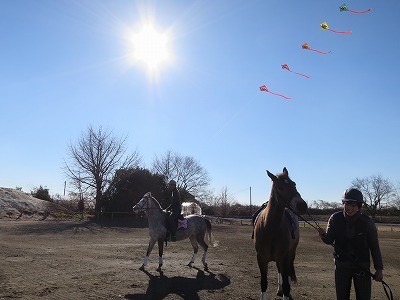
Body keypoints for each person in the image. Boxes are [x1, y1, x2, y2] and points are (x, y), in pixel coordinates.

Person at [317, 188, 384, 300]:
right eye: (347, 204)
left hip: (362, 266)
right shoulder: (335, 218)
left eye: (354, 205)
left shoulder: (367, 222)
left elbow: (374, 246)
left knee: (364, 297)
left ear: (359, 206)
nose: (350, 208)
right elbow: (329, 240)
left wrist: (379, 269)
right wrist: (323, 236)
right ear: (343, 203)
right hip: (341, 265)